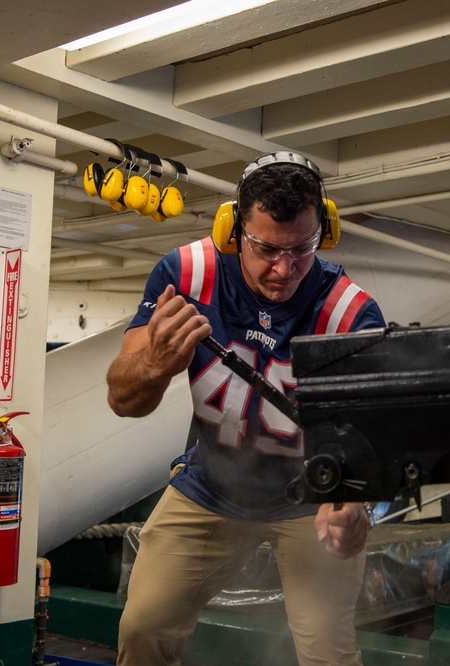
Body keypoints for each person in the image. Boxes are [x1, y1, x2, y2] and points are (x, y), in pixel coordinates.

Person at [107, 151, 386, 666]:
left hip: (309, 500)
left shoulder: (349, 312)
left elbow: (368, 438)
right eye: (265, 248)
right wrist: (156, 363)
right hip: (210, 486)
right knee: (142, 627)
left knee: (330, 654)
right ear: (233, 230)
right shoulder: (186, 276)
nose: (283, 270)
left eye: (301, 249)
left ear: (324, 233)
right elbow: (123, 399)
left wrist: (356, 504)